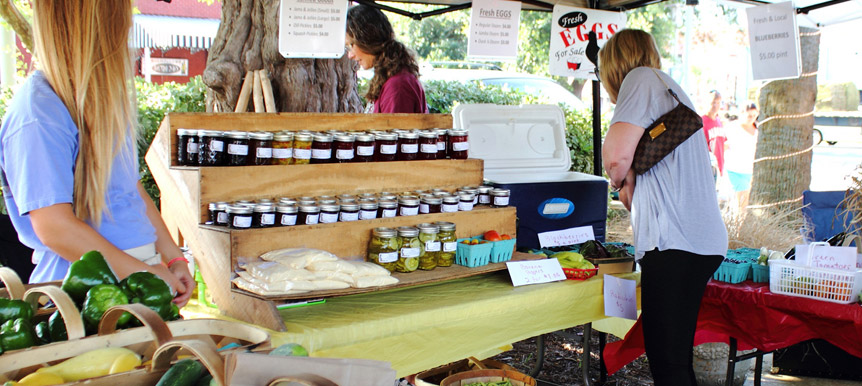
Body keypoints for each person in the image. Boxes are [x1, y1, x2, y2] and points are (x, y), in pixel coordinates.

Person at [0, 0, 192, 307]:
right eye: (122, 22)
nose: (129, 29)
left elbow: (132, 190)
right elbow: (54, 227)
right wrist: (142, 274)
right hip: (86, 296)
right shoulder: (39, 112)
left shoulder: (99, 104)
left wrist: (172, 259)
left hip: (134, 283)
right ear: (100, 30)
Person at [599, 29, 728, 386]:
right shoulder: (667, 85)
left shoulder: (640, 79)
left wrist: (618, 177)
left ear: (613, 66)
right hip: (696, 240)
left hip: (676, 243)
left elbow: (616, 159)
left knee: (668, 364)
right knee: (675, 359)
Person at [346, 5, 428, 114]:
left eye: (351, 45)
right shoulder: (390, 78)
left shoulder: (397, 86)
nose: (350, 55)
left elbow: (395, 130)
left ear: (367, 39)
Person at [724, 102, 759, 211]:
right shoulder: (732, 127)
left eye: (754, 116)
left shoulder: (757, 129)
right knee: (740, 205)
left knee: (747, 204)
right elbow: (724, 145)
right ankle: (737, 226)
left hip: (750, 171)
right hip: (735, 170)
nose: (752, 118)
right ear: (742, 114)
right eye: (749, 116)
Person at [702, 90, 726, 176]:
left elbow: (723, 143)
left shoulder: (719, 121)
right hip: (708, 168)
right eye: (713, 103)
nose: (716, 106)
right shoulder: (702, 122)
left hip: (719, 167)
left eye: (718, 103)